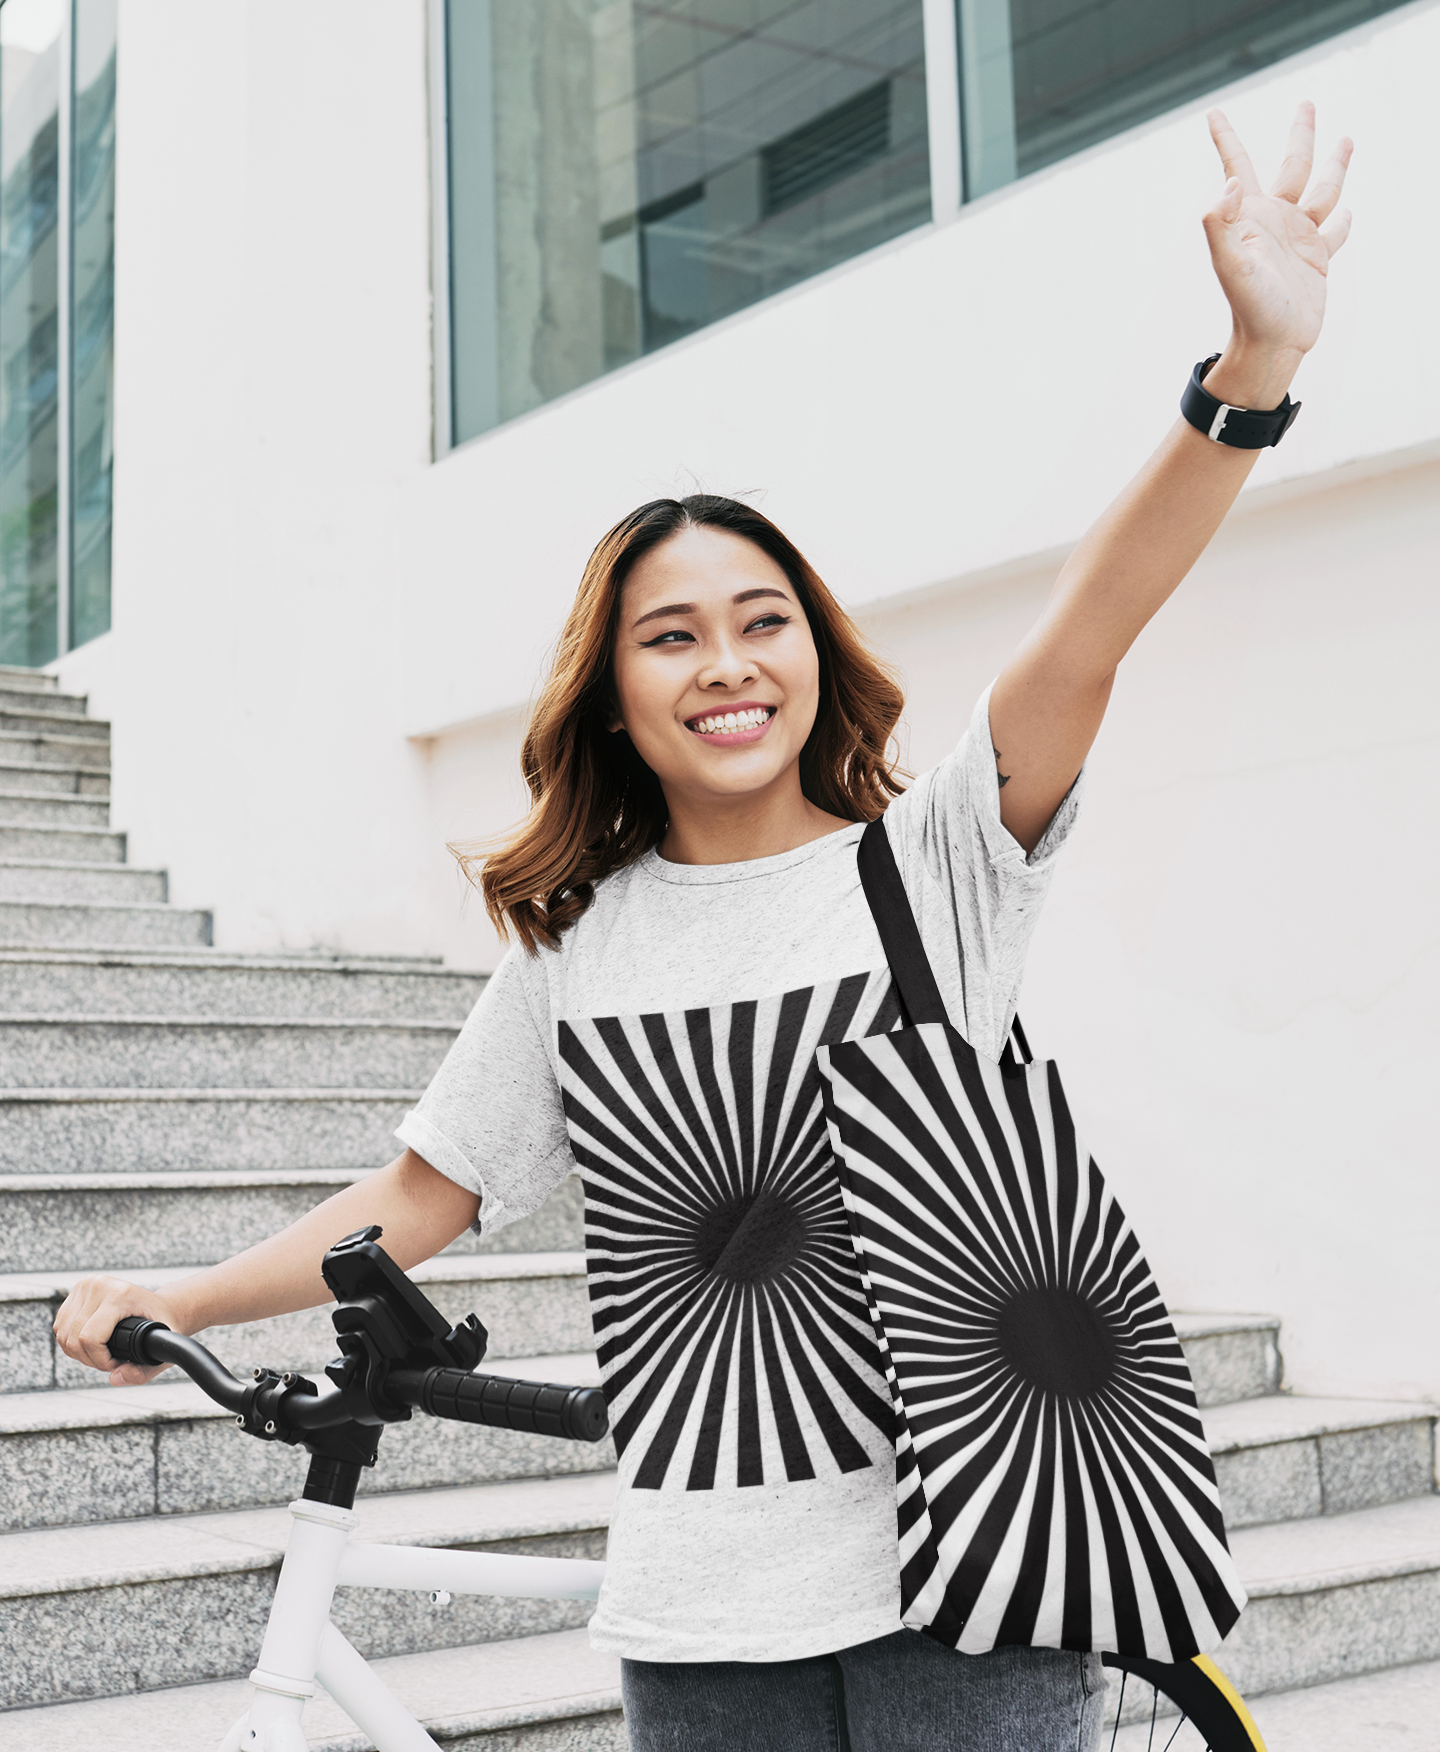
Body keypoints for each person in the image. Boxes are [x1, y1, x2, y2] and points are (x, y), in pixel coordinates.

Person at [56, 107, 1351, 1751]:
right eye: (672, 637)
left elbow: (1087, 634)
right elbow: (415, 1200)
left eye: (763, 622)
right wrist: (178, 1289)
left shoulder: (932, 864)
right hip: (699, 1612)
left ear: (815, 653)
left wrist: (1247, 368)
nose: (726, 663)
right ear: (613, 694)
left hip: (970, 1578)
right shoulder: (579, 948)